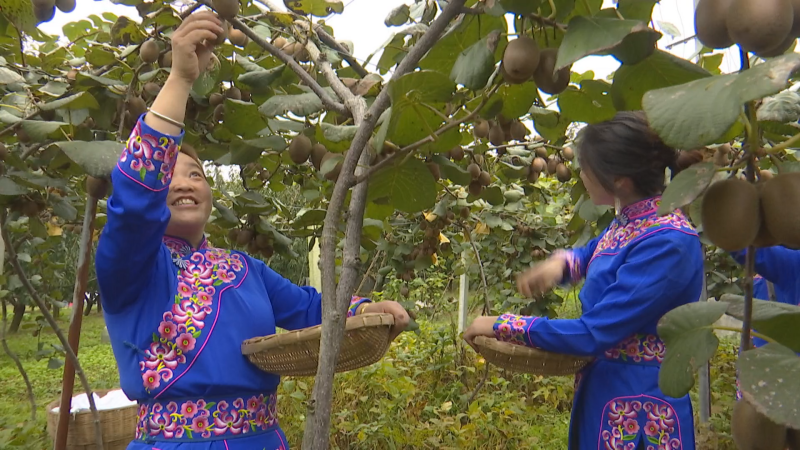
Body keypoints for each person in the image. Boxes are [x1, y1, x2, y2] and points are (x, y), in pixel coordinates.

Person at [95, 11, 410, 450]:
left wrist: (368, 309)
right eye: (170, 176)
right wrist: (181, 80)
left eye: (196, 175)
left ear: (210, 194)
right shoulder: (130, 266)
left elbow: (311, 308)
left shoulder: (244, 269)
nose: (184, 184)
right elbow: (134, 203)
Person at [463, 111, 703, 450]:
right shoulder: (633, 221)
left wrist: (503, 325)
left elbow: (593, 333)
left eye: (586, 167)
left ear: (619, 180)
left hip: (640, 408)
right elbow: (595, 252)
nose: (582, 174)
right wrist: (562, 264)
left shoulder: (667, 242)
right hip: (608, 394)